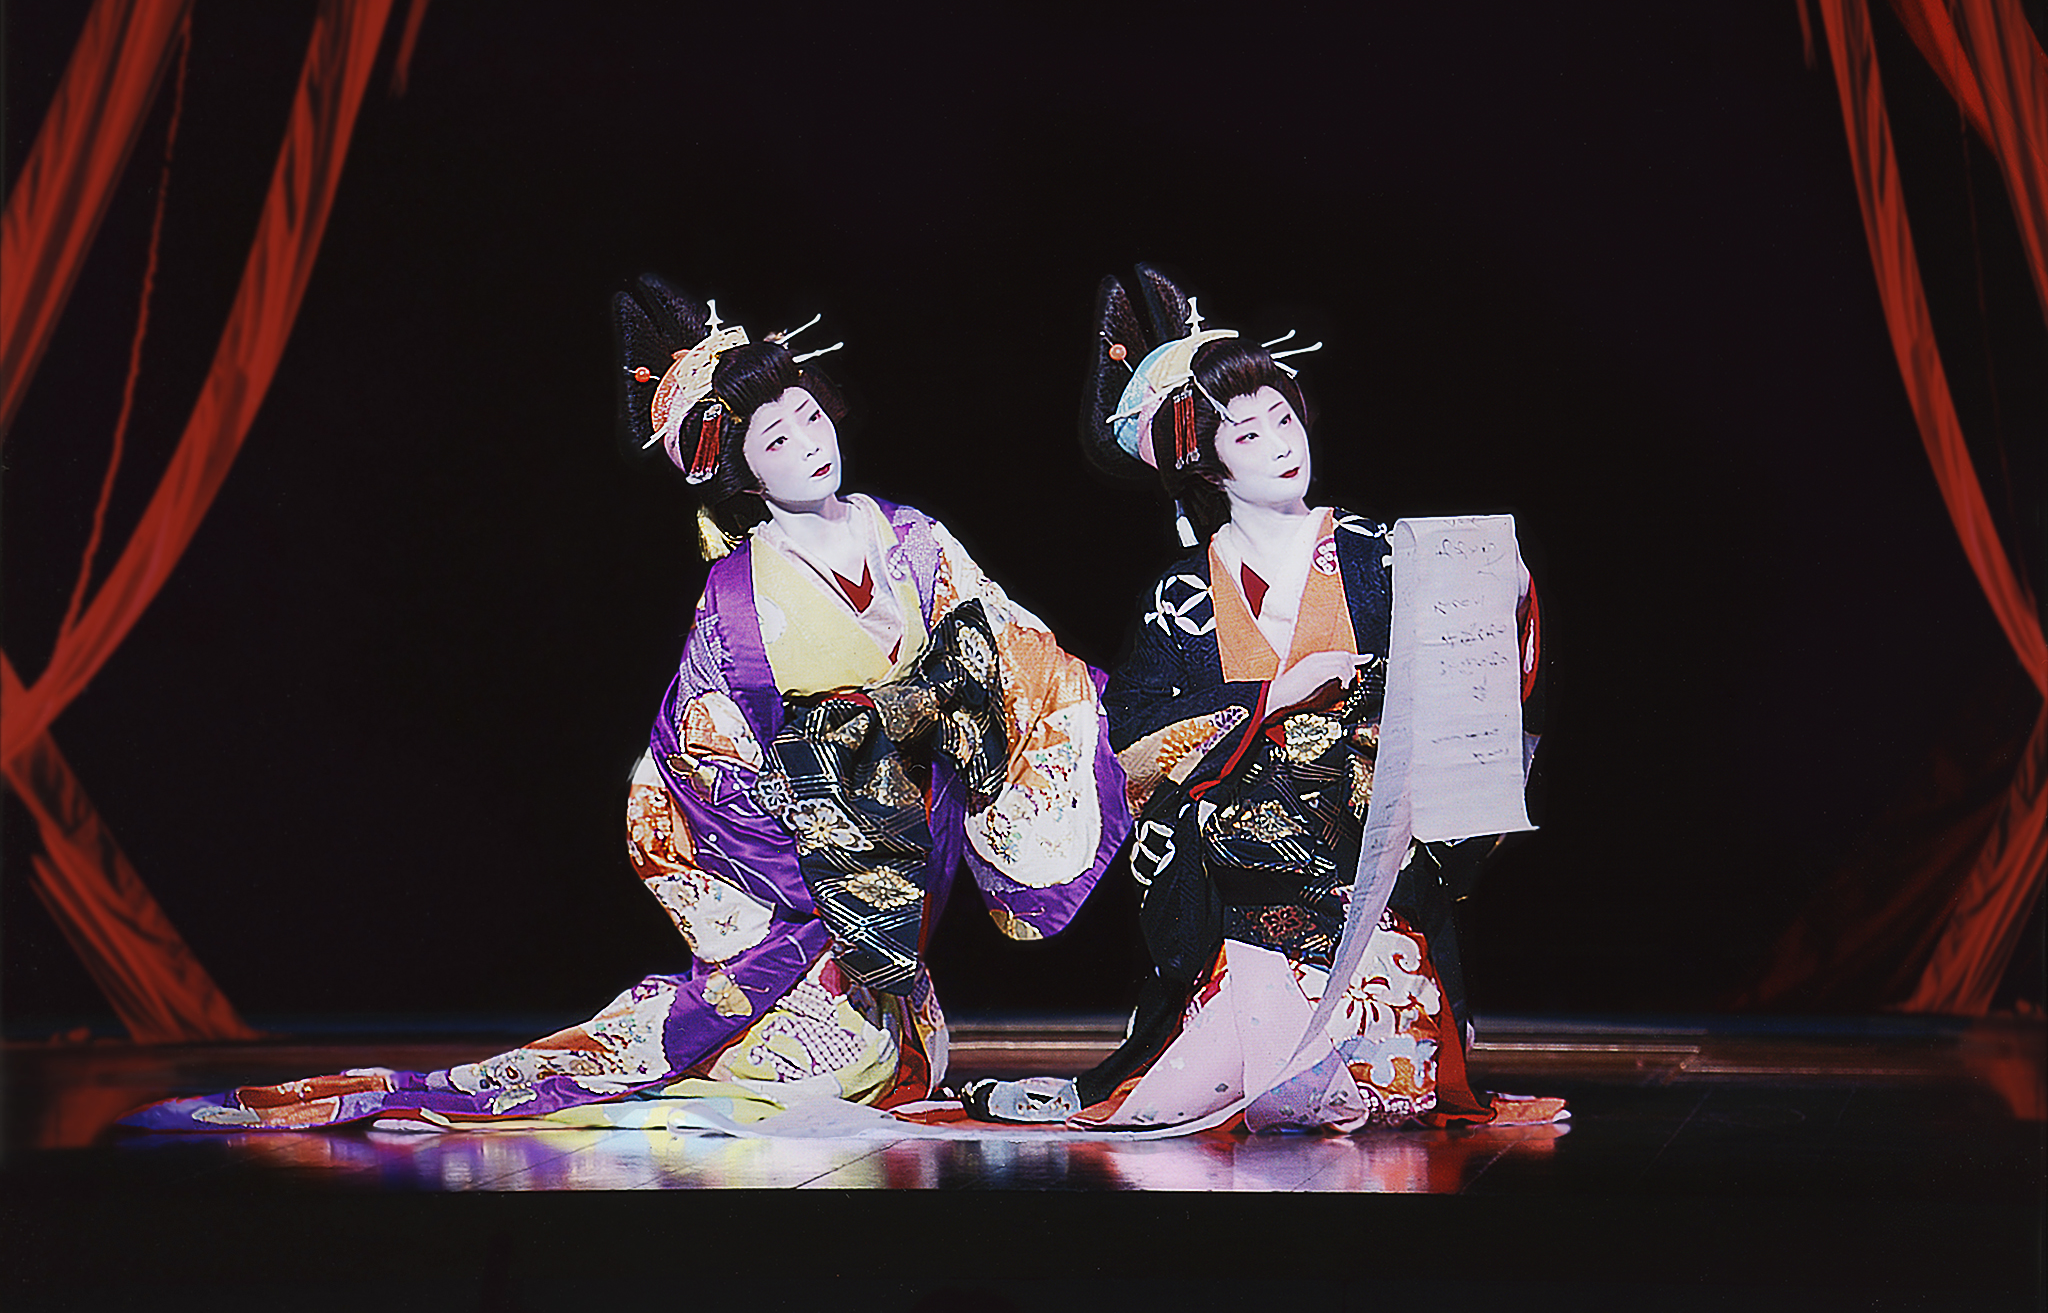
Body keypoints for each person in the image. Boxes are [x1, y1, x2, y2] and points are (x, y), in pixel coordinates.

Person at [121, 277, 1128, 1131]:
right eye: (774, 437)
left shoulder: (913, 535)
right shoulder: (735, 600)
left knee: (904, 1046)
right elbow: (692, 768)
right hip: (827, 872)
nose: (807, 442)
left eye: (808, 415)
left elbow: (1015, 655)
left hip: (917, 833)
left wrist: (1020, 727)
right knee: (826, 1076)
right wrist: (828, 834)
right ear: (740, 471)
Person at [1049, 263, 1559, 1133]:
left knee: (1383, 1091)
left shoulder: (1381, 553)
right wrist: (1273, 697)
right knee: (1211, 1095)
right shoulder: (1181, 596)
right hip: (1249, 896)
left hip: (1375, 879)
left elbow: (1470, 687)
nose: (1282, 443)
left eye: (1284, 418)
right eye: (1247, 434)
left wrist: (1502, 601)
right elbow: (1132, 736)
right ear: (1206, 463)